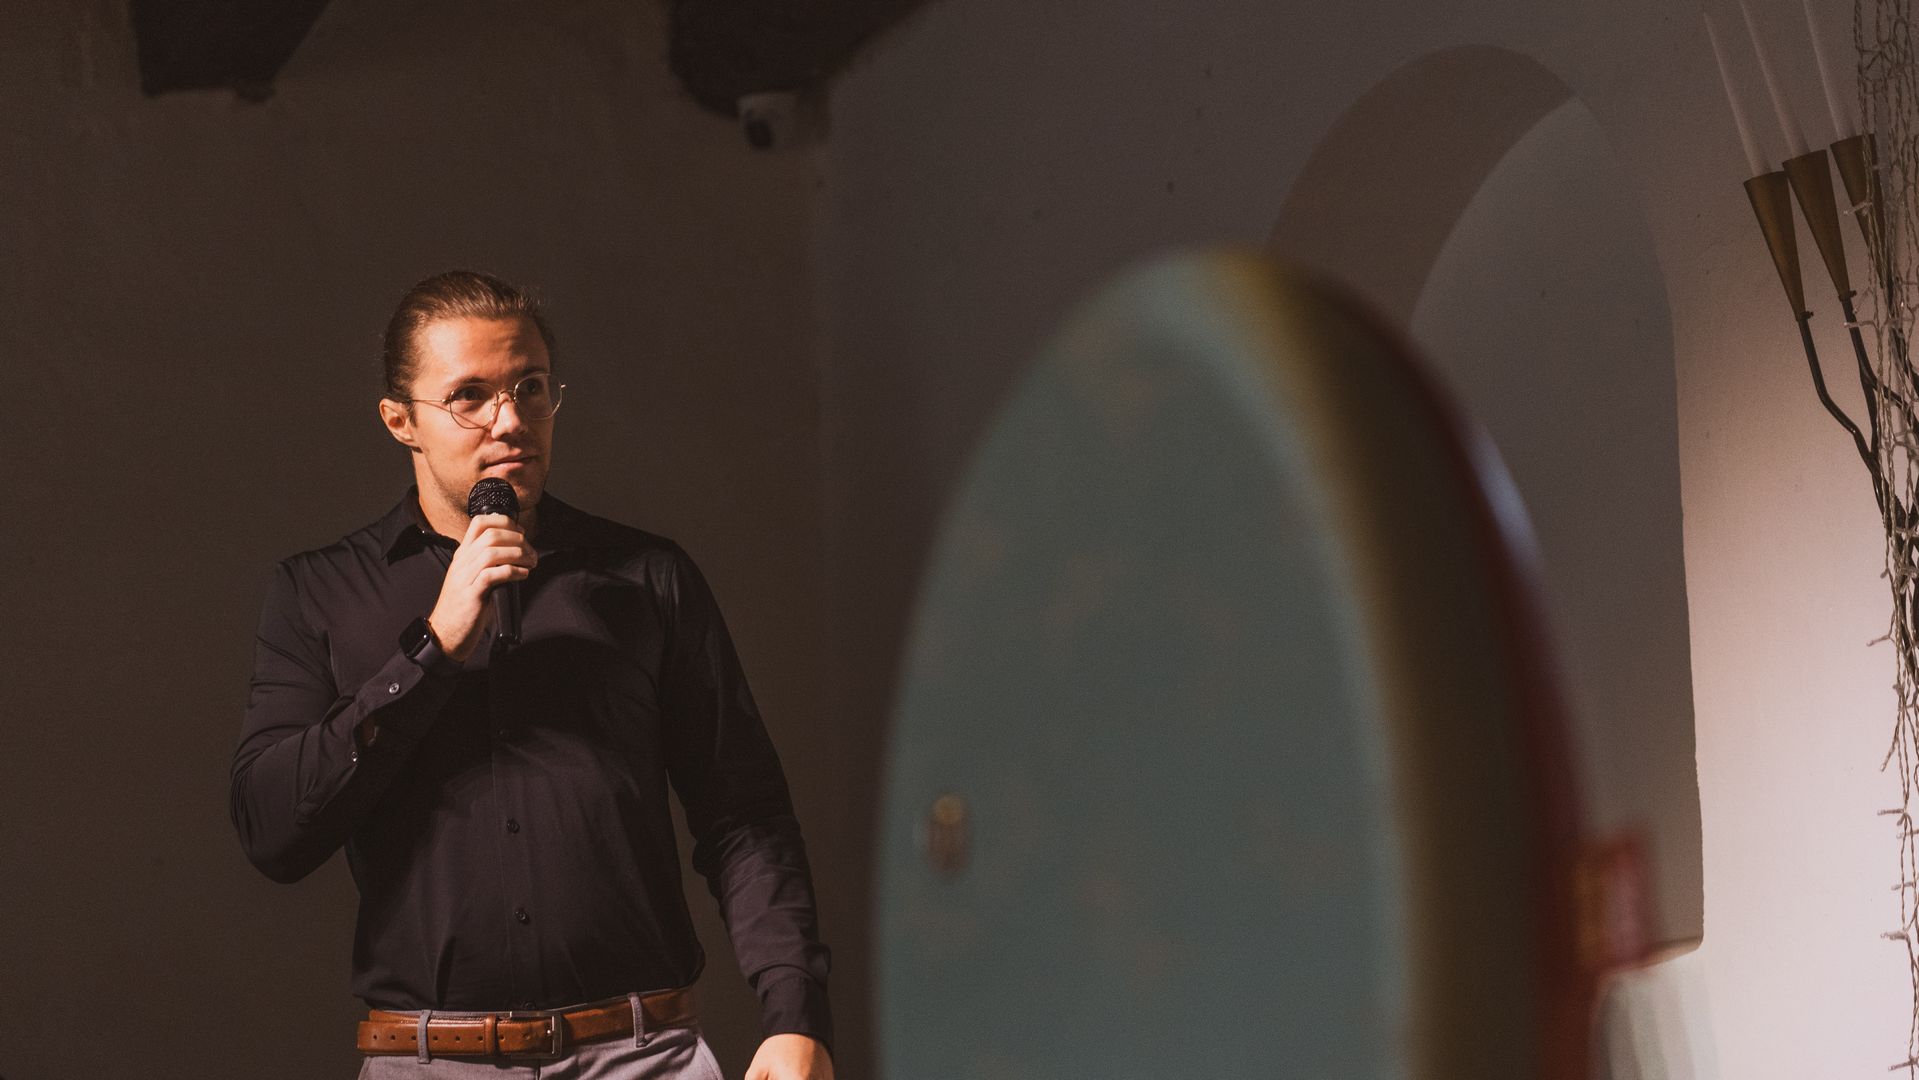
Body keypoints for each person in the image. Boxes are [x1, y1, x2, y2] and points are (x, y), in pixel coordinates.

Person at [229, 270, 834, 1080]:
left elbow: (743, 814)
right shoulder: (319, 593)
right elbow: (273, 831)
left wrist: (795, 1016)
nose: (510, 420)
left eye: (531, 388)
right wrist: (432, 647)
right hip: (428, 1063)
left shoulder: (647, 577)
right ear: (401, 421)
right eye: (470, 397)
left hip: (644, 1056)